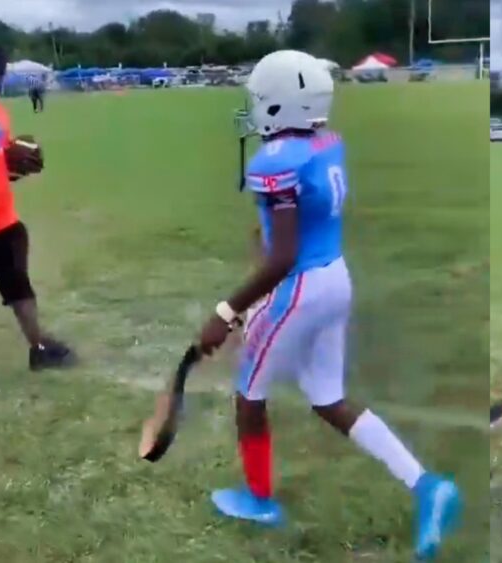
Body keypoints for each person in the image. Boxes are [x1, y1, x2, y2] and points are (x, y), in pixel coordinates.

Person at [194, 50, 461, 561]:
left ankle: (259, 500)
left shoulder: (275, 161)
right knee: (327, 398)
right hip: (334, 277)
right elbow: (278, 232)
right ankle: (427, 485)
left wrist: (226, 313)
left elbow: (284, 255)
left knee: (249, 394)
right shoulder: (324, 144)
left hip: (302, 285)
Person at [0, 44, 73, 370]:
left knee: (19, 285)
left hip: (1, 220)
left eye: (1, 74)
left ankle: (39, 348)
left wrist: (20, 165)